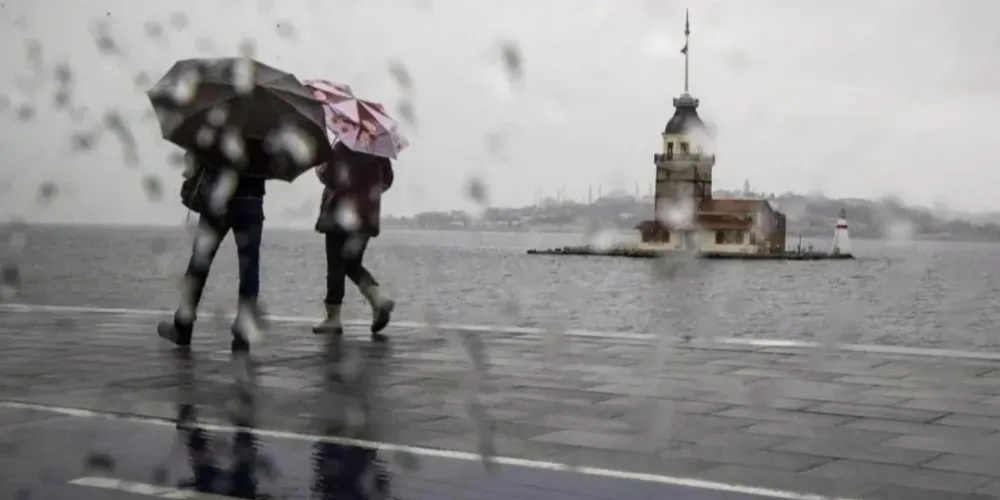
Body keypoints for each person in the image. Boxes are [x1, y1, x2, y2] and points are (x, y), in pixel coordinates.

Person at [157, 140, 272, 353]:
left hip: (218, 200)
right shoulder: (266, 127)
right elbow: (274, 165)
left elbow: (196, 156)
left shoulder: (222, 118)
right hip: (252, 202)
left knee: (199, 265)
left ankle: (183, 326)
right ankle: (242, 334)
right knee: (249, 270)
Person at [312, 142, 395, 342]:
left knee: (336, 264)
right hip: (366, 217)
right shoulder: (378, 149)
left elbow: (331, 177)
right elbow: (388, 180)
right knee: (351, 263)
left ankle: (333, 318)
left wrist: (320, 169)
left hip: (340, 214)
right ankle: (377, 298)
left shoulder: (342, 146)